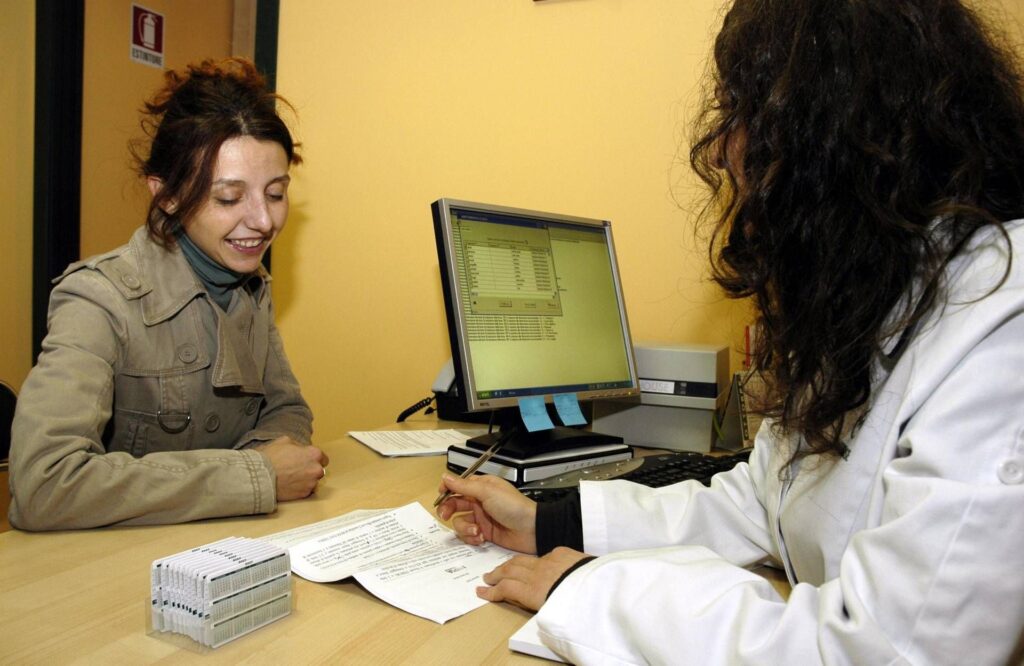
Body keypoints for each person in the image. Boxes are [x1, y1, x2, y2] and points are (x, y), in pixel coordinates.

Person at [438, 0, 1024, 662]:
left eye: (738, 112)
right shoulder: (873, 296)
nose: (718, 150)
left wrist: (590, 589)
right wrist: (548, 522)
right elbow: (759, 504)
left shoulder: (1002, 327)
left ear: (825, 131)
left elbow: (888, 651)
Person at [9, 58, 328, 531]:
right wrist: (255, 476)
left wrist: (273, 459)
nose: (263, 221)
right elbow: (44, 484)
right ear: (167, 195)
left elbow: (286, 408)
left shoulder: (251, 285)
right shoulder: (98, 299)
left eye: (276, 193)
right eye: (228, 197)